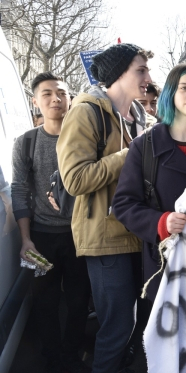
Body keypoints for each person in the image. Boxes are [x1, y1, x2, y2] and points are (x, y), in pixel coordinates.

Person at [57, 43, 152, 373]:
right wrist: (131, 154)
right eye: (141, 70)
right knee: (116, 327)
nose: (148, 79)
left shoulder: (140, 116)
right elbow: (75, 179)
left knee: (135, 322)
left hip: (139, 231)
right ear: (119, 73)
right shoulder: (86, 111)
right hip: (104, 236)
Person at [112, 63, 186, 301]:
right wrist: (162, 222)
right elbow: (124, 204)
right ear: (170, 93)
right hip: (163, 258)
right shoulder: (144, 145)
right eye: (184, 88)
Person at [12, 73, 90, 373]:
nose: (56, 98)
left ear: (70, 98)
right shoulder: (26, 143)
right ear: (36, 102)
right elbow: (19, 188)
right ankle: (52, 359)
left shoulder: (85, 139)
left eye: (61, 92)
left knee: (79, 300)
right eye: (47, 94)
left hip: (80, 236)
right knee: (43, 303)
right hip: (41, 237)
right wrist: (26, 239)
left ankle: (72, 356)